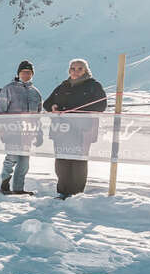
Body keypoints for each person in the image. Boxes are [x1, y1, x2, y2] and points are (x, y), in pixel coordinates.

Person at [42, 59, 107, 198]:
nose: (75, 71)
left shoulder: (93, 86)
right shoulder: (63, 86)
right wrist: (52, 107)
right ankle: (62, 191)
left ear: (86, 71)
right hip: (61, 129)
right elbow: (47, 104)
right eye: (73, 68)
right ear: (69, 70)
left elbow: (101, 106)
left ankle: (76, 193)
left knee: (78, 160)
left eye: (79, 68)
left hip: (82, 129)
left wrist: (77, 112)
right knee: (61, 160)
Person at [0, 60, 43, 195]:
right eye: (23, 72)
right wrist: (2, 130)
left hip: (28, 133)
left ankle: (18, 188)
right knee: (12, 157)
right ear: (18, 73)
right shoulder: (9, 89)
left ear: (32, 74)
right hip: (12, 130)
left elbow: (38, 116)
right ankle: (4, 185)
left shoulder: (35, 92)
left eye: (29, 72)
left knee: (24, 162)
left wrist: (39, 134)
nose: (26, 75)